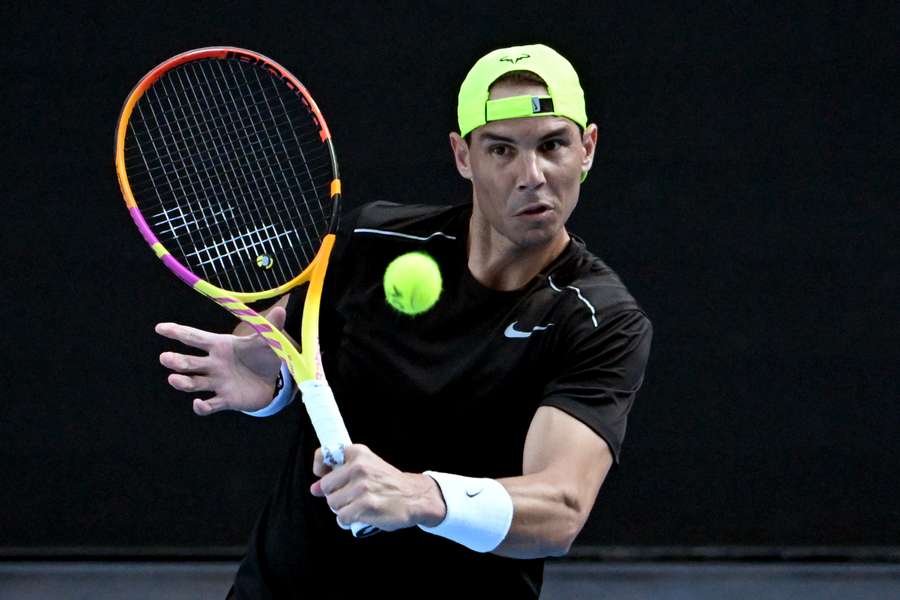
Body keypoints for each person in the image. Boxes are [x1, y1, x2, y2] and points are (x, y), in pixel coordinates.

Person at [156, 44, 652, 598]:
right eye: (501, 150)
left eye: (552, 144)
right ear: (463, 156)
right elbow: (279, 334)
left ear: (587, 148)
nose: (531, 175)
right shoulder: (370, 243)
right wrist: (269, 379)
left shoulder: (597, 318)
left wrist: (421, 497)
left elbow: (560, 509)